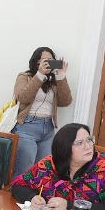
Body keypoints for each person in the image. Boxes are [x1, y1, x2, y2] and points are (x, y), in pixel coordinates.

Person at [11, 123, 105, 210]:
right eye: (80, 143)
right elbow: (17, 186)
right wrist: (32, 197)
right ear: (64, 148)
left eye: (89, 140)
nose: (88, 146)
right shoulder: (48, 165)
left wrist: (69, 206)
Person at [11, 46, 73, 177]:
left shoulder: (53, 81)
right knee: (25, 169)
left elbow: (65, 101)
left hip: (48, 129)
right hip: (27, 127)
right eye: (44, 60)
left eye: (51, 60)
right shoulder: (25, 77)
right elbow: (23, 97)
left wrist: (61, 76)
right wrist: (39, 75)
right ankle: (17, 190)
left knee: (43, 171)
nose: (48, 62)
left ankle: (37, 191)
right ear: (36, 62)